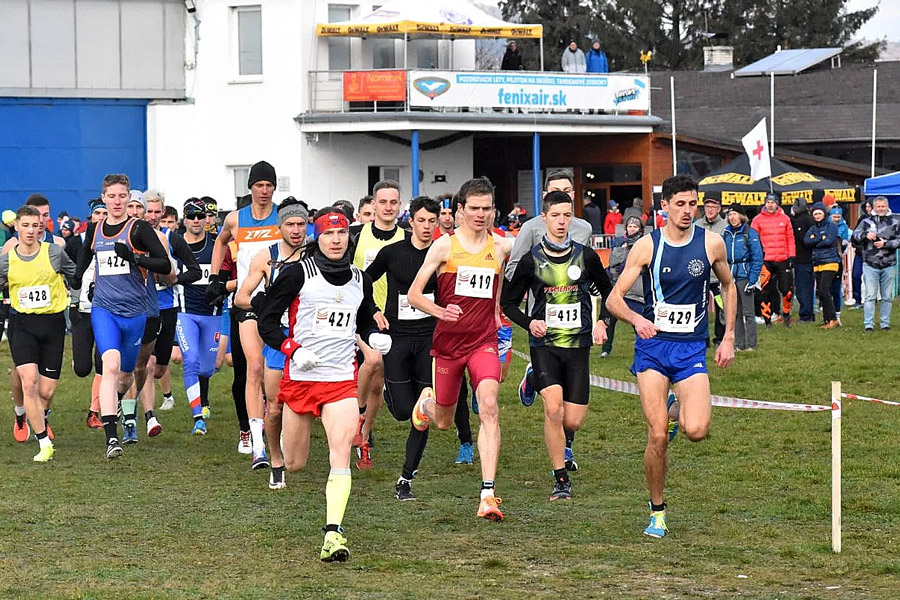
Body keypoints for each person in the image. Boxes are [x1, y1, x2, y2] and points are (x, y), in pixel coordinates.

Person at [605, 174, 736, 538]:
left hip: (691, 347)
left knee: (696, 430)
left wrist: (728, 336)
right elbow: (614, 299)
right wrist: (636, 320)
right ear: (664, 206)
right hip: (653, 348)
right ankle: (657, 512)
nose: (687, 211)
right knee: (658, 436)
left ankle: (676, 408)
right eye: (680, 204)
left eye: (692, 204)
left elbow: (728, 285)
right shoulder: (647, 246)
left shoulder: (711, 243)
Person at [258, 208, 390, 562]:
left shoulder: (360, 279)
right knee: (295, 463)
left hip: (340, 380)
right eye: (328, 234)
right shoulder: (297, 274)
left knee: (340, 452)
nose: (336, 240)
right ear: (318, 239)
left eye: (342, 233)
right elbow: (266, 322)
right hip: (301, 379)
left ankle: (333, 534)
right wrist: (292, 349)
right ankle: (277, 457)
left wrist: (374, 338)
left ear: (349, 237)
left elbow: (363, 319)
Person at [408, 176, 513, 522]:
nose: (481, 214)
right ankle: (425, 404)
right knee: (443, 420)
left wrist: (496, 313)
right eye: (475, 208)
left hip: (483, 341)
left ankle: (488, 493)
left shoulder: (501, 247)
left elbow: (500, 283)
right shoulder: (444, 247)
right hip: (449, 345)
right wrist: (441, 311)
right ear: (460, 210)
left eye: (487, 208)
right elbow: (414, 295)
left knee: (489, 406)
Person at [501, 191, 612, 500]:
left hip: (578, 345)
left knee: (572, 420)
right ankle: (560, 478)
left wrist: (603, 321)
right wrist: (529, 323)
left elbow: (609, 292)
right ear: (544, 218)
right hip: (544, 344)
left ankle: (533, 379)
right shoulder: (531, 259)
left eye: (567, 215)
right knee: (553, 408)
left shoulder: (586, 256)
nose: (562, 221)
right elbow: (507, 303)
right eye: (555, 216)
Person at [74, 173, 172, 459]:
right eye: (111, 196)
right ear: (103, 198)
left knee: (127, 374)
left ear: (129, 198)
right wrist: (77, 277)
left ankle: (114, 401)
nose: (117, 202)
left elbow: (164, 264)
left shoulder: (138, 229)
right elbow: (85, 254)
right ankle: (111, 438)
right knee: (110, 365)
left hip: (135, 313)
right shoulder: (95, 229)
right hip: (104, 310)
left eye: (121, 196)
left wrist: (134, 257)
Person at [507, 169, 592, 471]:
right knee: (554, 403)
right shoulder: (531, 228)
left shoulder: (583, 228)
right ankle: (563, 453)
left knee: (572, 403)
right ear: (545, 197)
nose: (562, 196)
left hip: (576, 322)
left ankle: (568, 444)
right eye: (556, 191)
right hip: (543, 321)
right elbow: (514, 267)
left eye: (567, 191)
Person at [365, 196, 440, 500]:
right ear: (411, 222)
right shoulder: (393, 253)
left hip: (429, 339)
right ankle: (389, 393)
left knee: (423, 410)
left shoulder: (443, 254)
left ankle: (406, 478)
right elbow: (363, 281)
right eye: (421, 220)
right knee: (402, 412)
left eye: (432, 221)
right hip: (397, 337)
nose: (426, 226)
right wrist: (373, 311)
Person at [207, 160, 280, 469]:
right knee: (252, 368)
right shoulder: (236, 219)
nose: (264, 191)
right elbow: (221, 241)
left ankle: (275, 424)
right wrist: (215, 277)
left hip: (277, 304)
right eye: (259, 185)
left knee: (274, 374)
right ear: (250, 188)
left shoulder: (283, 218)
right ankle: (254, 439)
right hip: (245, 301)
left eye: (269, 185)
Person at [235, 197, 308, 489]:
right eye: (290, 224)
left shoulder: (318, 254)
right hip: (279, 338)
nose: (296, 230)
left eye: (301, 224)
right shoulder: (267, 256)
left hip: (312, 338)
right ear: (280, 227)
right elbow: (241, 297)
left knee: (313, 402)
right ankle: (275, 459)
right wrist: (261, 302)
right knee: (275, 405)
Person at [0, 206, 76, 461]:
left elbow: (74, 275)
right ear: (17, 227)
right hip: (22, 325)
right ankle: (43, 443)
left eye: (35, 226)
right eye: (26, 225)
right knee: (29, 381)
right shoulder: (7, 260)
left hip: (52, 325)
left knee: (46, 391)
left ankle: (35, 418)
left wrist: (77, 299)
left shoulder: (54, 253)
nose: (31, 230)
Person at [350, 180, 406, 469]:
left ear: (400, 205)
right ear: (373, 205)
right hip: (361, 316)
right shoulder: (355, 236)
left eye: (393, 202)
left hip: (395, 317)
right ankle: (355, 416)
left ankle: (364, 435)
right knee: (370, 363)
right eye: (382, 202)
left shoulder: (407, 237)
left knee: (377, 384)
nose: (388, 207)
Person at [174, 198, 225, 438]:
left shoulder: (216, 244)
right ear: (184, 220)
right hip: (186, 314)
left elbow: (228, 272)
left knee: (207, 368)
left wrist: (224, 288)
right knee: (191, 361)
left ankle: (204, 401)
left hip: (212, 314)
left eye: (200, 216)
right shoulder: (176, 243)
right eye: (191, 216)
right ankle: (198, 418)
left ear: (207, 219)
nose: (196, 220)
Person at [71, 199, 109, 429]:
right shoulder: (77, 242)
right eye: (97, 213)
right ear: (91, 216)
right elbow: (65, 269)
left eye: (105, 212)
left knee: (103, 363)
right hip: (82, 310)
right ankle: (78, 356)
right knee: (82, 368)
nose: (101, 217)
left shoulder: (116, 238)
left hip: (105, 309)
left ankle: (94, 412)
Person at [851, 196, 900, 332]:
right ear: (874, 207)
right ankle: (868, 324)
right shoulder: (865, 221)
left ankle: (885, 323)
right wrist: (865, 235)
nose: (881, 209)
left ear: (887, 206)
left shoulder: (896, 221)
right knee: (870, 296)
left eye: (883, 206)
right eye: (878, 206)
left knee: (887, 297)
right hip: (870, 263)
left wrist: (886, 244)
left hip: (889, 263)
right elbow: (854, 236)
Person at [601, 215, 645, 357]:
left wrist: (630, 268)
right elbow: (612, 262)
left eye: (635, 226)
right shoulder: (618, 242)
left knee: (636, 320)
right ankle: (605, 349)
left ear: (640, 229)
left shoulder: (645, 243)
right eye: (630, 226)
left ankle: (643, 347)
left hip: (635, 290)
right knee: (609, 318)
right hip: (616, 286)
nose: (632, 229)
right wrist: (608, 271)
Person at [751, 194, 795, 327]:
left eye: (773, 202)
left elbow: (790, 238)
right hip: (765, 260)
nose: (770, 205)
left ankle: (786, 315)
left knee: (787, 290)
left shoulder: (785, 219)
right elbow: (753, 240)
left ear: (777, 204)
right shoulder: (757, 220)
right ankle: (767, 320)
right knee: (765, 291)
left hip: (782, 259)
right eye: (768, 202)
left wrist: (792, 256)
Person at [723, 205, 764, 350]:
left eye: (734, 214)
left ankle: (752, 345)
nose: (732, 217)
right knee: (735, 313)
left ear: (741, 216)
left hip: (745, 277)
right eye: (730, 215)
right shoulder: (726, 233)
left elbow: (757, 257)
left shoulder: (749, 233)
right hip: (731, 278)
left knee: (749, 313)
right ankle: (739, 344)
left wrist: (752, 280)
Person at [803, 202, 841, 329]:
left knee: (825, 290)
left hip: (830, 262)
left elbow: (829, 240)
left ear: (824, 214)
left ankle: (833, 318)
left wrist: (816, 241)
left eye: (819, 213)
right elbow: (806, 241)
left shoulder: (831, 226)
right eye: (815, 214)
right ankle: (826, 320)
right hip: (817, 263)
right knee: (821, 291)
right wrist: (820, 238)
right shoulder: (813, 228)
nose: (817, 216)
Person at [696, 197, 727, 346]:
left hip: (718, 275)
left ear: (719, 209)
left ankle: (720, 337)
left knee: (721, 306)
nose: (709, 209)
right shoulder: (696, 225)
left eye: (713, 207)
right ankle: (702, 337)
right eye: (707, 206)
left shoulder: (725, 226)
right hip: (699, 275)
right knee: (699, 307)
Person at [790, 198, 815, 323]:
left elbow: (800, 239)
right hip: (812, 259)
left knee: (802, 289)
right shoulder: (811, 220)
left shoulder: (799, 221)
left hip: (802, 259)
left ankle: (805, 315)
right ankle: (810, 313)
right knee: (809, 288)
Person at [830, 205, 851, 326]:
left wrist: (843, 244)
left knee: (836, 289)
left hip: (837, 259)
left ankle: (837, 315)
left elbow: (845, 243)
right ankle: (828, 314)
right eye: (834, 216)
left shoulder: (844, 227)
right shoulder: (827, 225)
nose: (836, 219)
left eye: (838, 217)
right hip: (827, 259)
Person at [850, 199, 873, 308]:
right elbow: (854, 236)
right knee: (856, 275)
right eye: (866, 207)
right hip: (860, 253)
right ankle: (857, 299)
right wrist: (858, 245)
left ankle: (870, 299)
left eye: (870, 207)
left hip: (872, 254)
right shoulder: (862, 219)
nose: (868, 209)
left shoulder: (878, 221)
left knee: (870, 278)